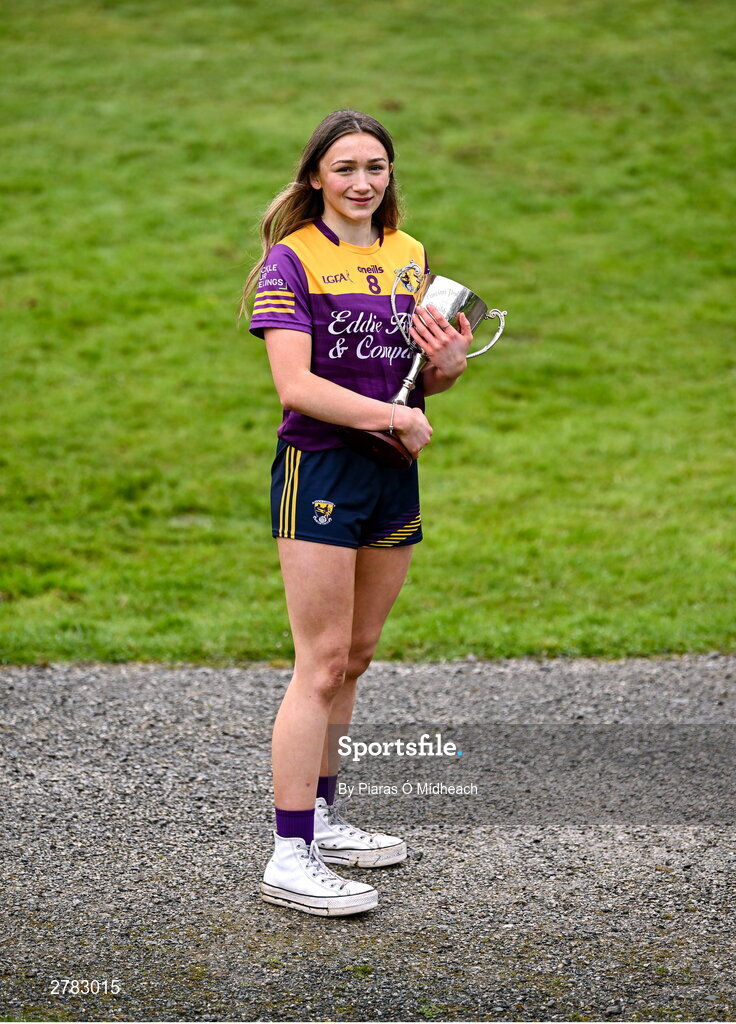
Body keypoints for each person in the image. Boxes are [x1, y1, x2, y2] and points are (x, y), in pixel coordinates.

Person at [240, 109, 473, 916]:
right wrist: (394, 419)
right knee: (320, 659)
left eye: (375, 166)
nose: (361, 182)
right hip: (323, 467)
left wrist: (445, 367)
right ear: (315, 178)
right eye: (344, 168)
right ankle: (289, 852)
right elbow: (295, 388)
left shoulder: (408, 257)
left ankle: (325, 819)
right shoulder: (290, 260)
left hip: (390, 471)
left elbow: (417, 379)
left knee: (358, 654)